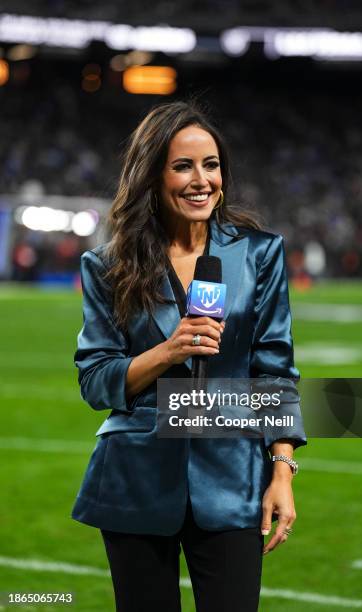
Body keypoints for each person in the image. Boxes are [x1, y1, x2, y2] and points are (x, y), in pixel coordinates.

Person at [71, 100, 307, 612]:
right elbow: (95, 380)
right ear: (152, 175)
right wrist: (166, 351)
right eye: (182, 166)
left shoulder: (259, 253)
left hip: (233, 481)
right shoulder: (107, 266)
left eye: (212, 164)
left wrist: (282, 471)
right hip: (135, 480)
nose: (202, 180)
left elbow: (274, 370)